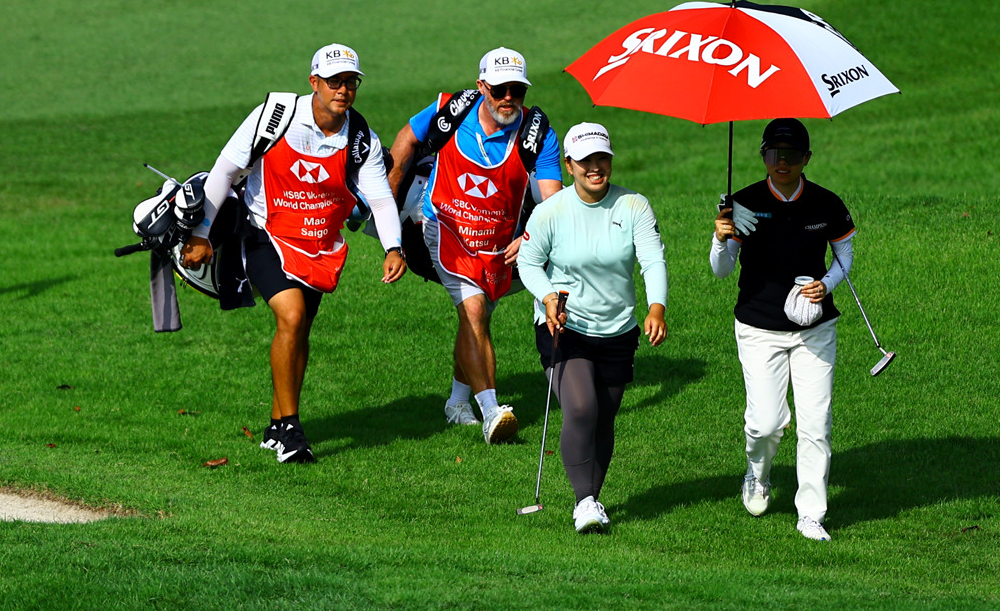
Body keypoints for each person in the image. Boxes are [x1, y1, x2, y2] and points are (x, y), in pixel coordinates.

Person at [181, 44, 406, 464]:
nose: (343, 89)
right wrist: (201, 234)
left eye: (350, 82)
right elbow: (225, 170)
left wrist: (394, 246)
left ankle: (274, 426)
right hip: (264, 232)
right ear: (314, 82)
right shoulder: (275, 116)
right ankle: (290, 430)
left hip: (319, 244)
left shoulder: (361, 137)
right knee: (292, 316)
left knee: (299, 332)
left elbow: (378, 197)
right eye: (334, 81)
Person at [387, 47, 561, 444]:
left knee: (476, 322)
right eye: (499, 89)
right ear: (482, 85)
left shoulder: (539, 135)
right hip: (443, 228)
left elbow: (552, 204)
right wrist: (388, 211)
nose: (508, 98)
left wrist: (530, 236)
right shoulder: (450, 111)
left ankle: (456, 404)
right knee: (474, 309)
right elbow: (406, 140)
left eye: (516, 89)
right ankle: (492, 412)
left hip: (499, 244)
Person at [517, 122, 667, 533]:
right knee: (581, 407)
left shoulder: (634, 206)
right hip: (564, 325)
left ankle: (593, 498)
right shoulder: (550, 212)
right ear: (569, 166)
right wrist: (548, 297)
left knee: (605, 414)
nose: (595, 167)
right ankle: (584, 502)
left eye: (601, 158)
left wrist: (656, 308)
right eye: (585, 161)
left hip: (618, 329)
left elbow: (652, 260)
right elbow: (528, 262)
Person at [709, 118, 854, 541]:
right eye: (775, 153)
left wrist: (825, 284)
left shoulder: (826, 204)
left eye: (792, 154)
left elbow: (844, 255)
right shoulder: (742, 203)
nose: (783, 161)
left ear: (807, 158)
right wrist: (721, 238)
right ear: (763, 156)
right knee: (766, 423)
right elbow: (721, 271)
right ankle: (758, 473)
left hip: (815, 329)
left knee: (815, 423)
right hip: (758, 327)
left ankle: (811, 513)